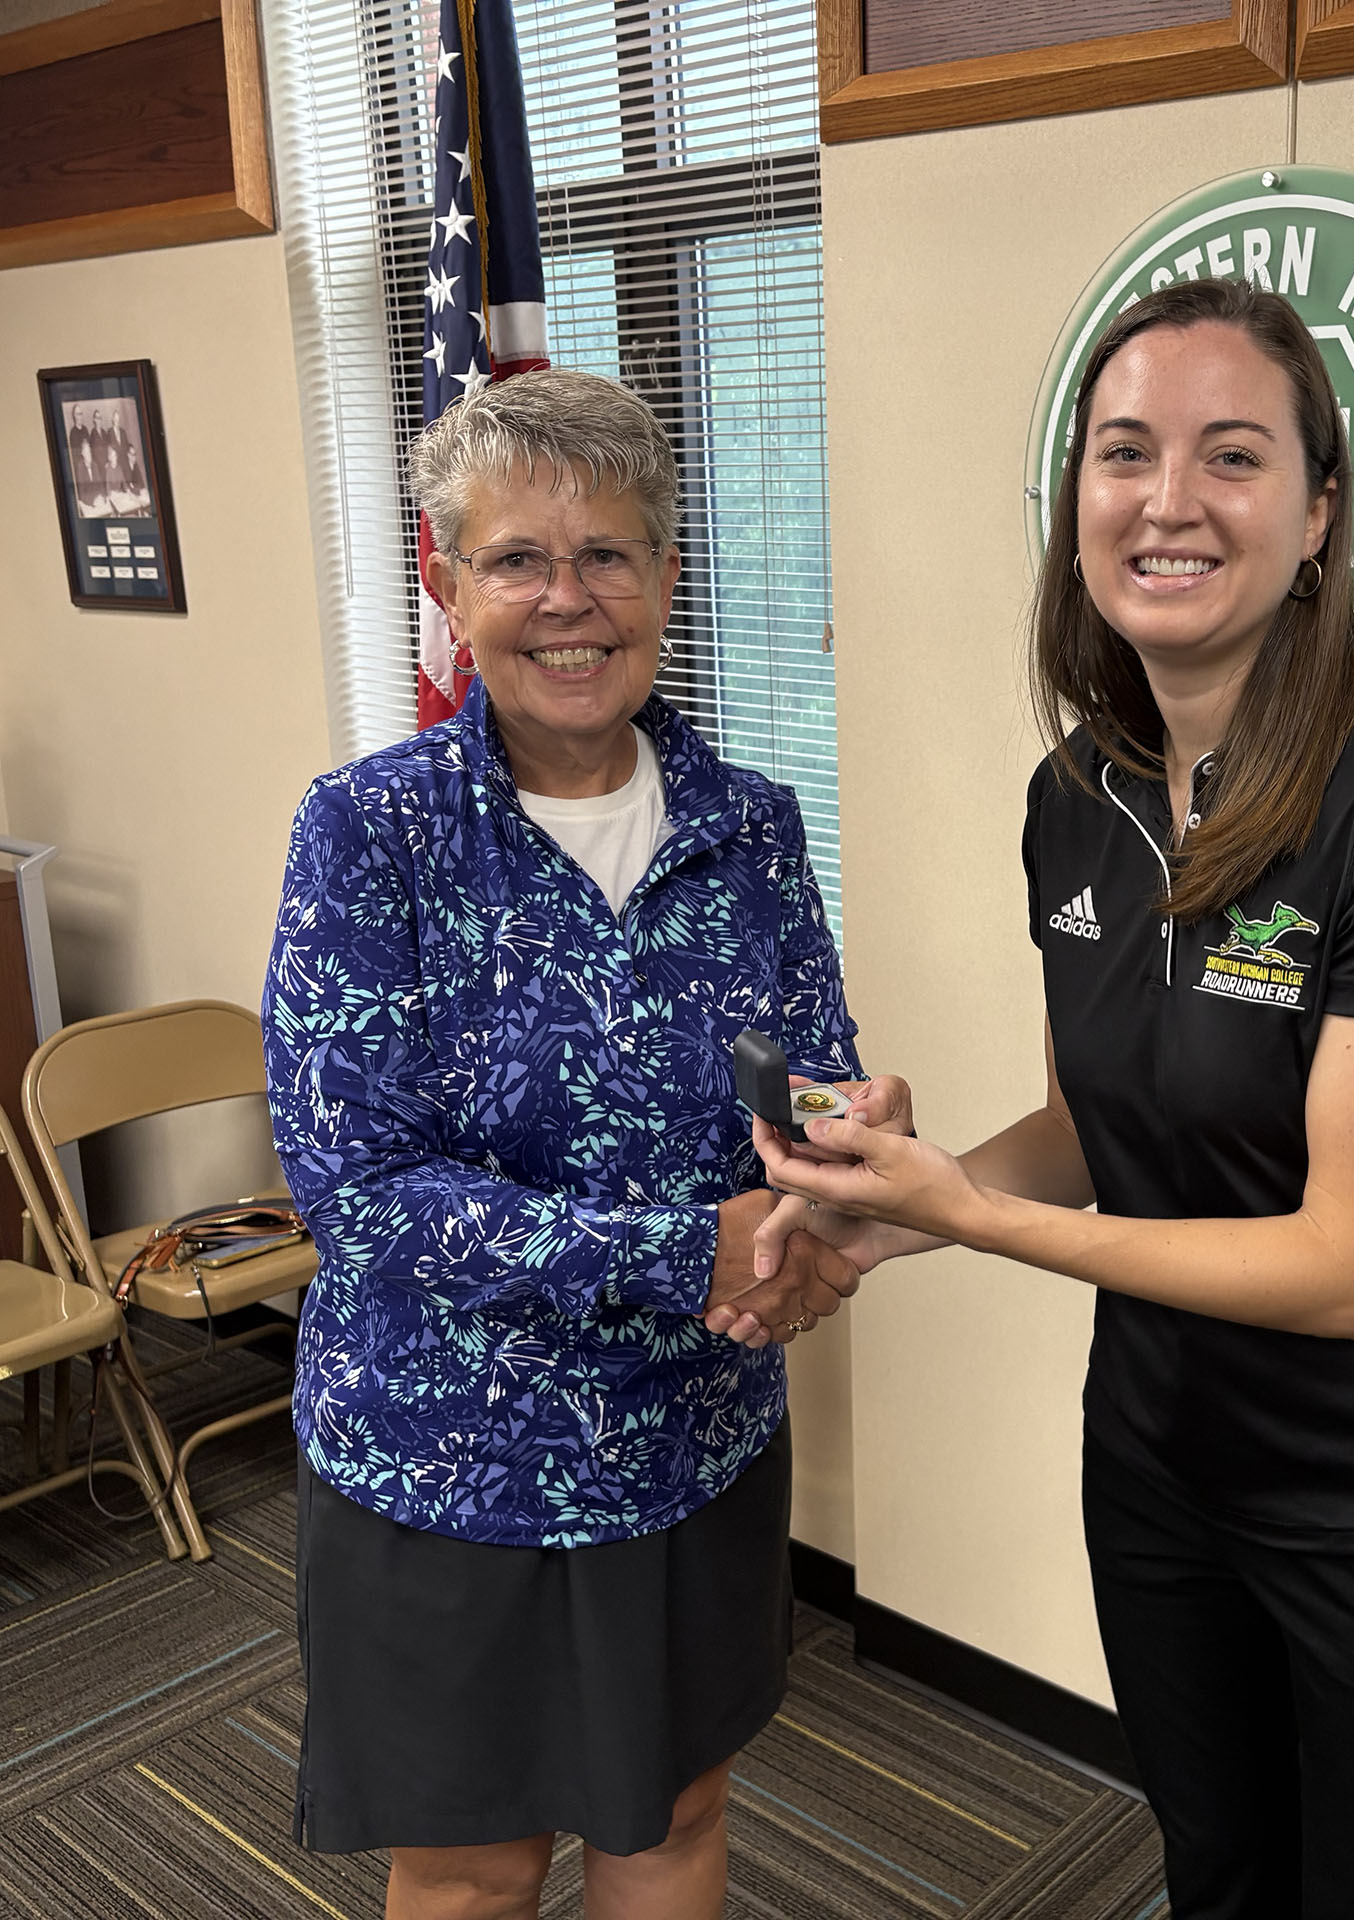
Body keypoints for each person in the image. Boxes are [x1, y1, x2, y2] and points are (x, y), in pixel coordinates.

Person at [731, 278, 1354, 1920]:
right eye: (1125, 454)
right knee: (1217, 1880)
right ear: (1077, 507)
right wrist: (897, 1207)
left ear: (1318, 516)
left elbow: (1350, 1267)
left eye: (1231, 455)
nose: (1168, 499)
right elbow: (1092, 1130)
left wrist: (979, 1221)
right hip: (1162, 1473)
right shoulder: (1075, 795)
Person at [263, 365, 902, 1920]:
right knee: (473, 1864)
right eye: (517, 561)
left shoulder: (751, 823)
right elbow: (363, 1193)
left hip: (696, 1437)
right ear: (447, 587)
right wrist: (694, 1254)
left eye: (608, 553)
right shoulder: (369, 833)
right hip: (453, 1460)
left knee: (673, 1814)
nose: (569, 600)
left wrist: (837, 1173)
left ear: (666, 578)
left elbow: (804, 1074)